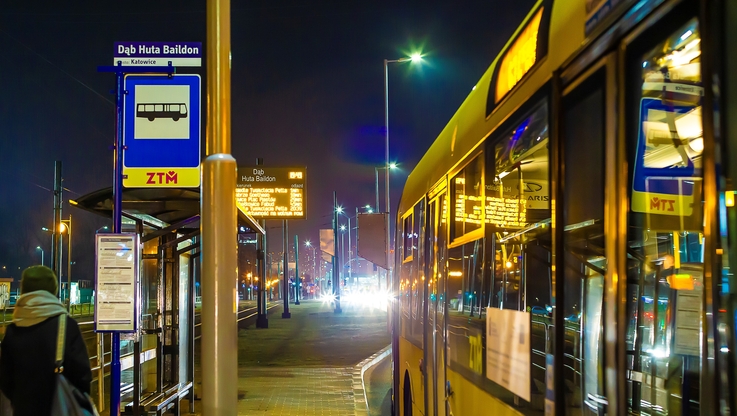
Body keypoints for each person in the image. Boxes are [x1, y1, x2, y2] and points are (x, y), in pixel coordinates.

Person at [0, 265, 91, 415]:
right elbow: (83, 376)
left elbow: (5, 380)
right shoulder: (66, 325)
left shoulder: (13, 330)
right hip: (60, 409)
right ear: (53, 290)